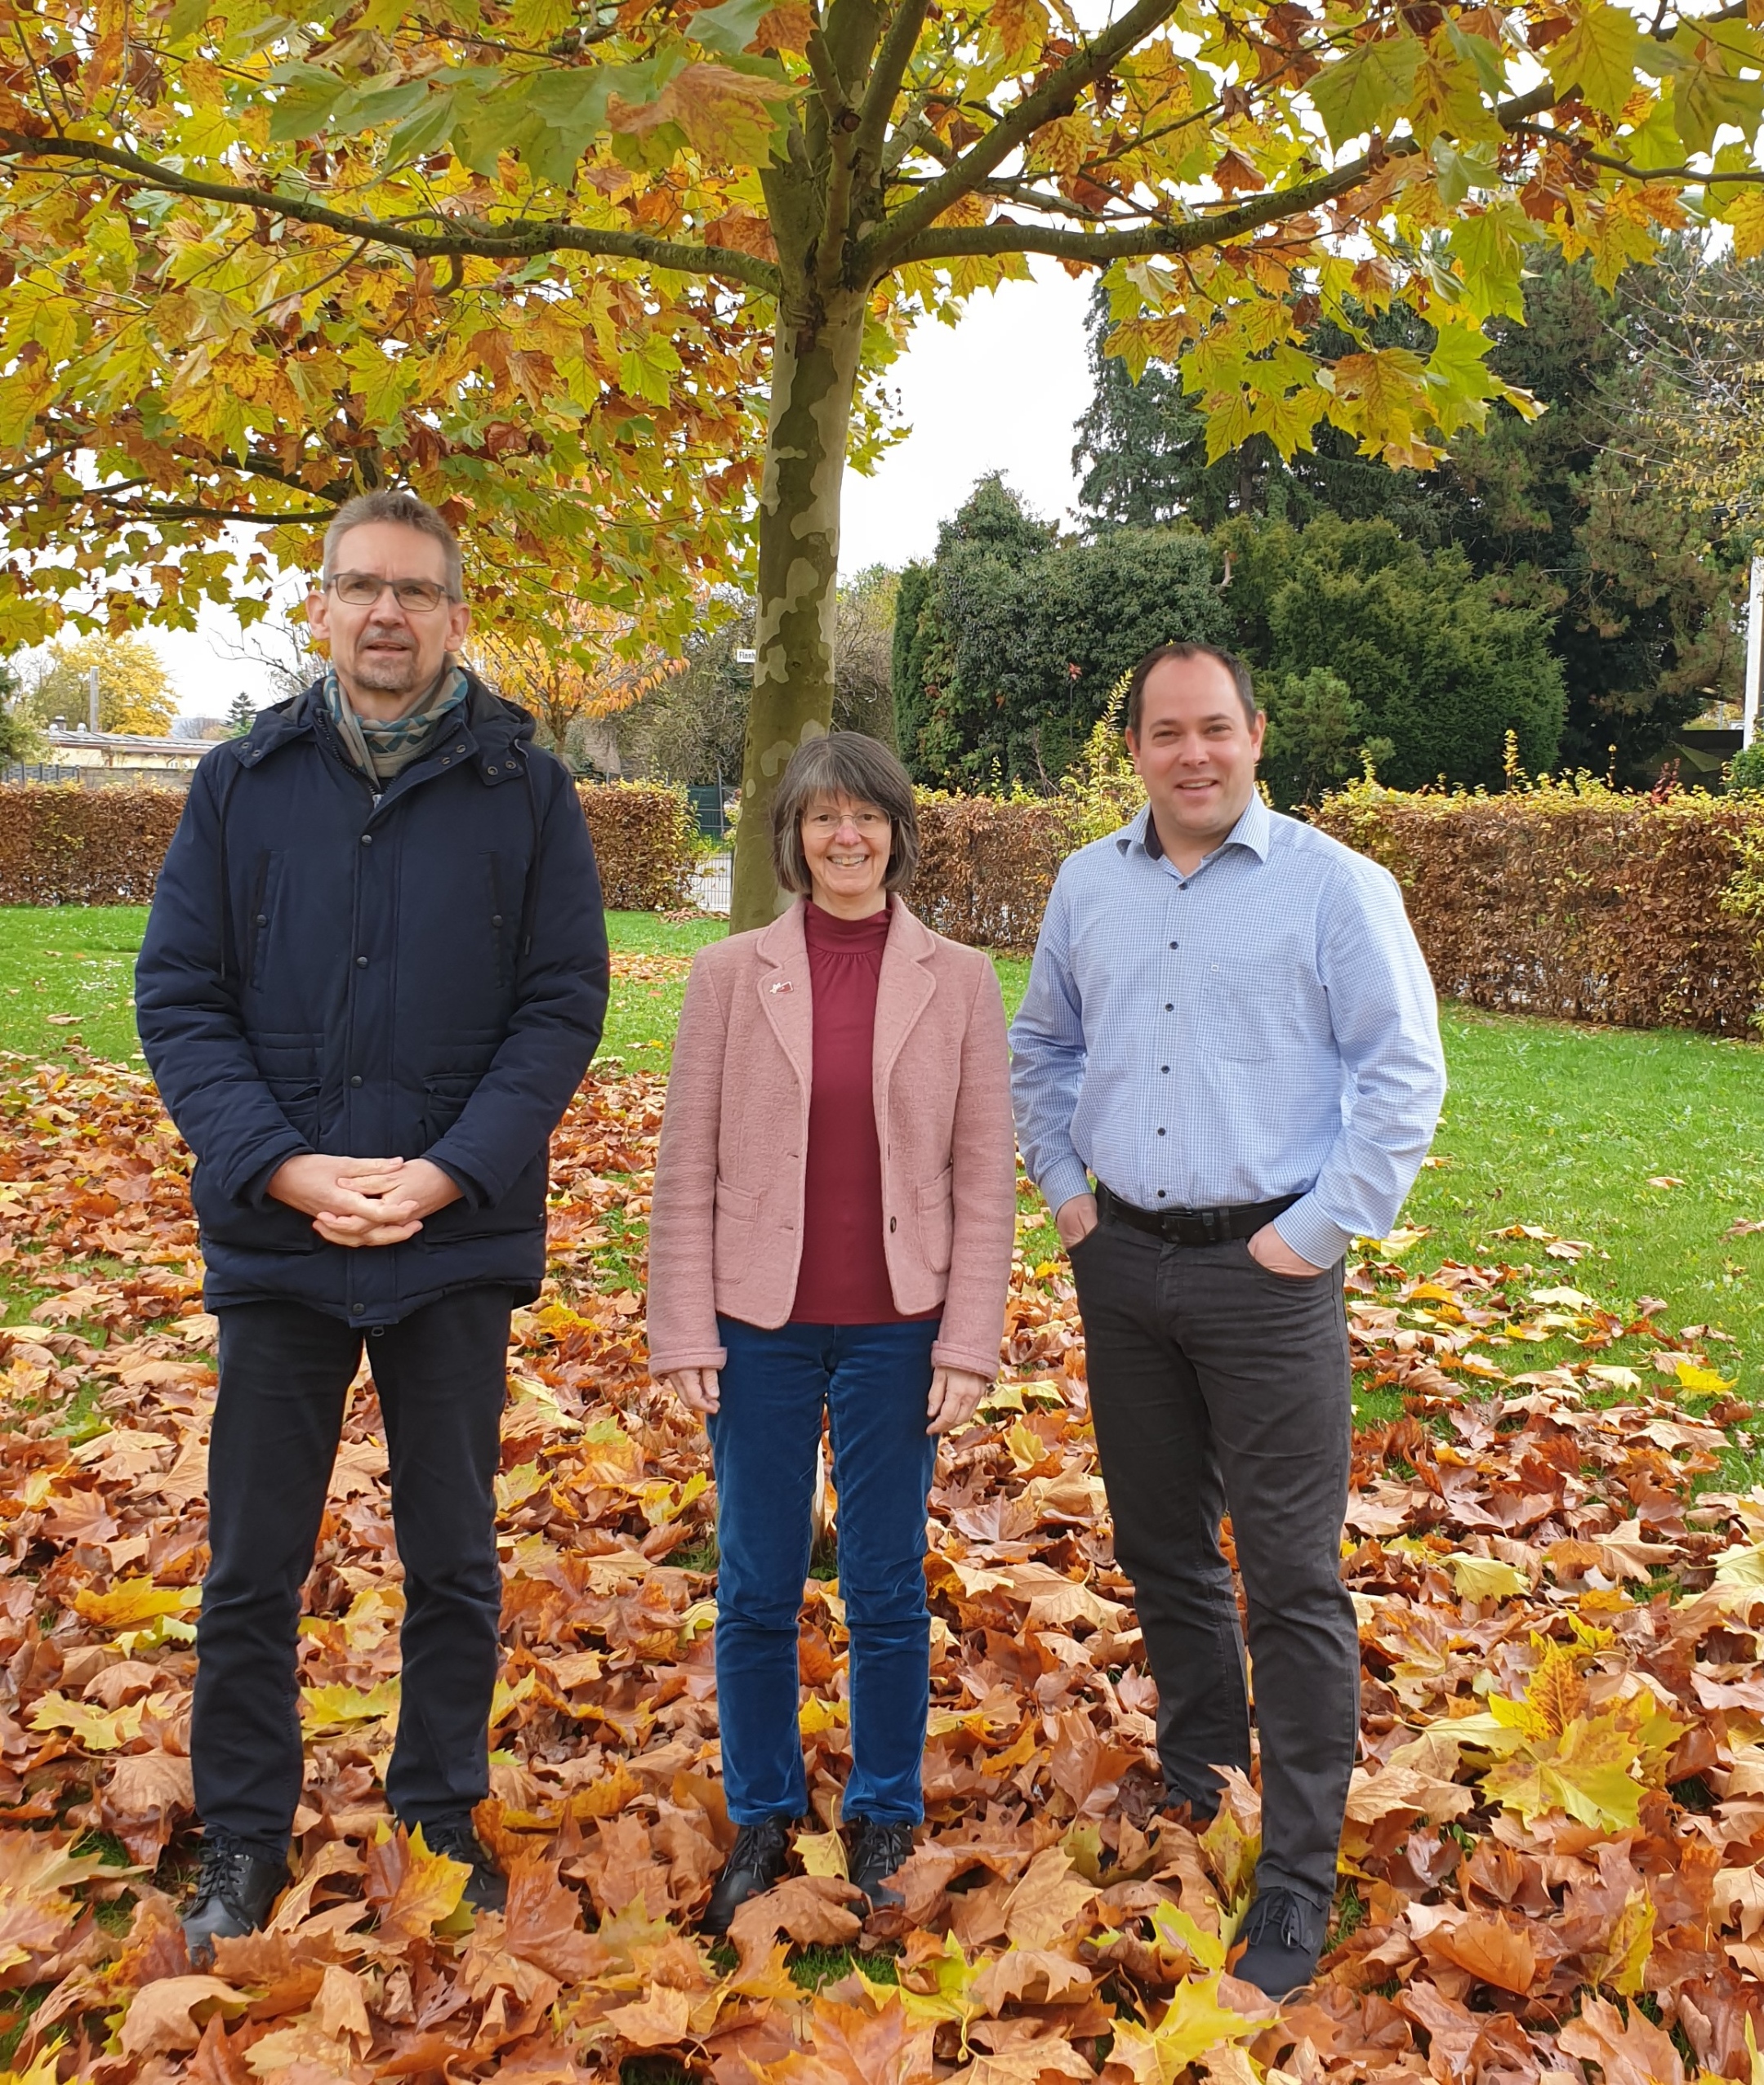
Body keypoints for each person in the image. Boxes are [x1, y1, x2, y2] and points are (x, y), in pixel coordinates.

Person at [135, 488, 609, 1962]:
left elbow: (561, 1004)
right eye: (360, 588)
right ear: (324, 609)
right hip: (282, 1240)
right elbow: (180, 998)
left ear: (457, 614)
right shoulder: (242, 782)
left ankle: (439, 1816)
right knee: (251, 1563)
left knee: (455, 1552)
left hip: (450, 1239)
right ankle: (244, 1840)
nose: (386, 613)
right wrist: (281, 1166)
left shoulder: (525, 791)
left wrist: (449, 1171)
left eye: (414, 590)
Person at [1009, 643, 1446, 2000]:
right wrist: (1070, 1200)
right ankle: (1202, 1778)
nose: (1191, 754)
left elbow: (1402, 1076)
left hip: (1269, 1277)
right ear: (1131, 746)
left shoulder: (1334, 887)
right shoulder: (1089, 882)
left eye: (1215, 729)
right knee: (1159, 1542)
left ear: (1257, 735)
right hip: (1123, 1264)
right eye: (1164, 733)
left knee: (1293, 1575)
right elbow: (1042, 1048)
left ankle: (1300, 1876)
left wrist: (1307, 1236)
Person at [647, 732, 1015, 1931]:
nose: (845, 836)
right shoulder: (727, 975)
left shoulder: (958, 979)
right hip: (757, 1322)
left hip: (897, 1328)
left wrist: (967, 1340)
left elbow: (980, 1178)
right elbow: (685, 1165)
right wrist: (681, 1326)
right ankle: (760, 1813)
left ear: (900, 832)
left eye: (866, 816)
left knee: (885, 1580)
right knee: (754, 1579)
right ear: (792, 837)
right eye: (821, 819)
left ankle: (884, 1806)